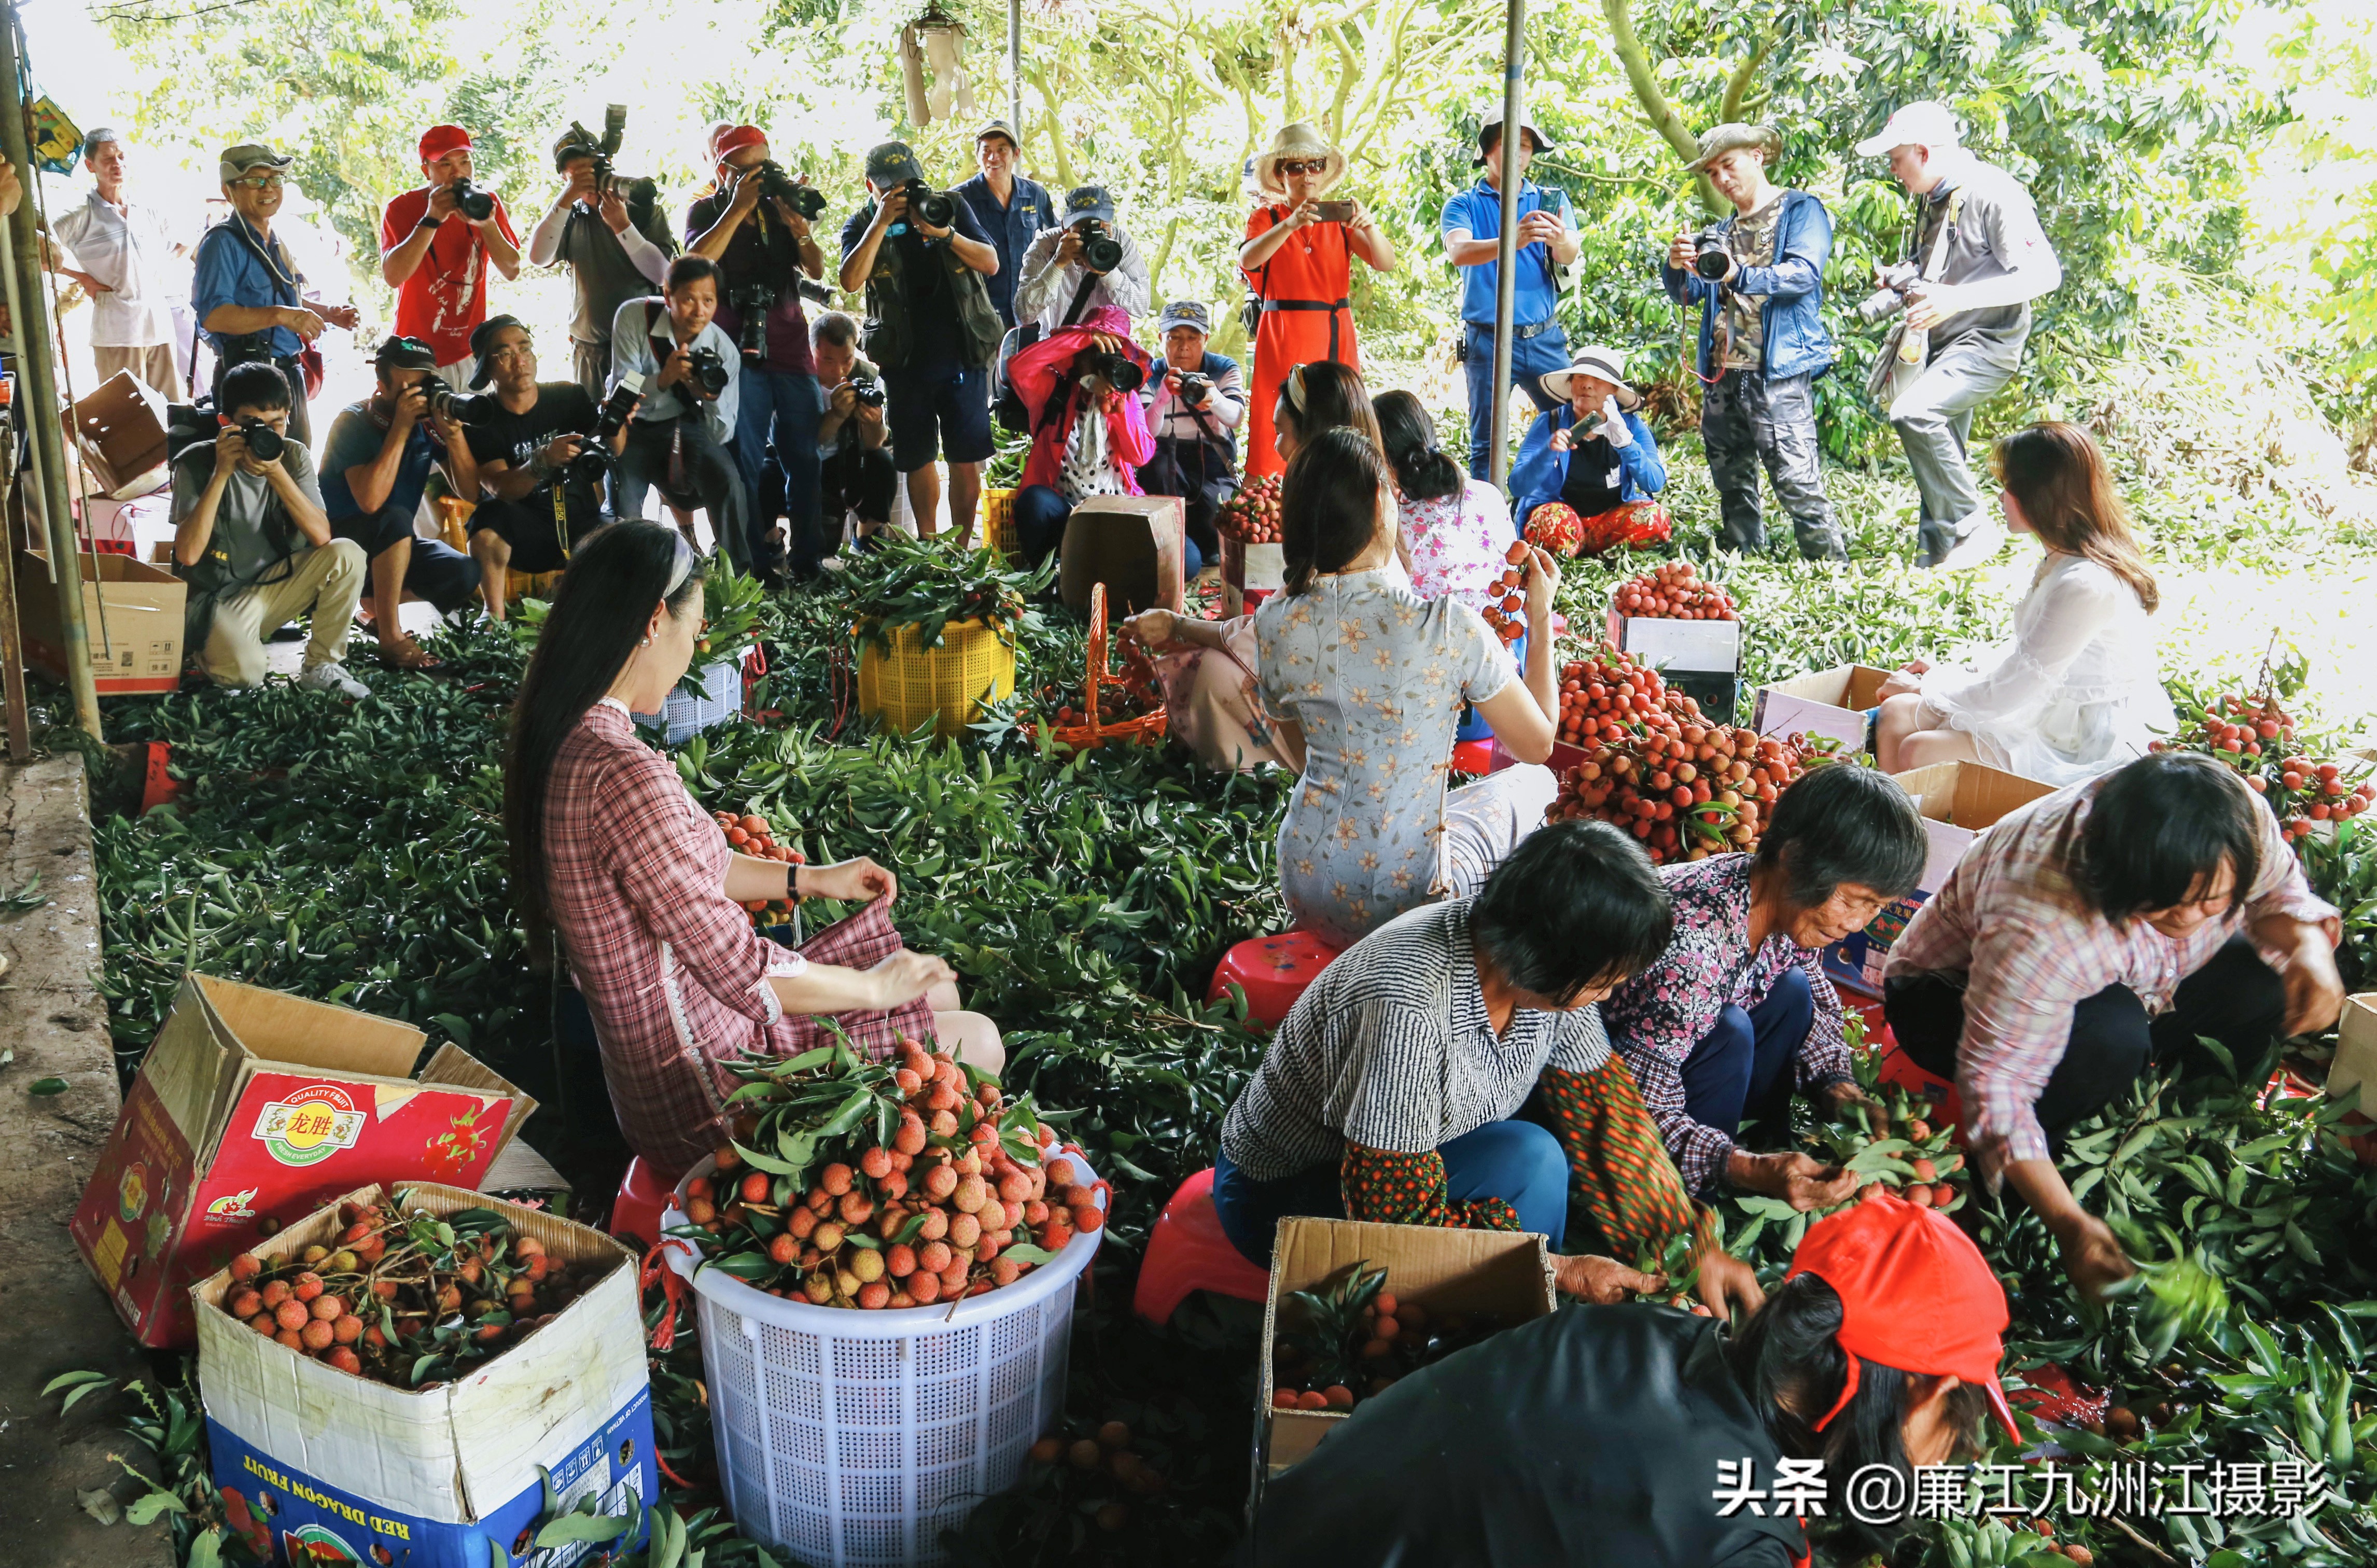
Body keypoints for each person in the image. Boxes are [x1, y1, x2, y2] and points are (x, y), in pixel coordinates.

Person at [502, 521, 1003, 1178]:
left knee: (934, 1002)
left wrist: (815, 881)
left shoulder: (572, 739)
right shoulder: (620, 774)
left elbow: (699, 869)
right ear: (655, 620)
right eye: (695, 629)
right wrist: (875, 987)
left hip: (677, 1059)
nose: (696, 648)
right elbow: (743, 971)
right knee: (981, 1039)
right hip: (712, 1093)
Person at [1246, 1193, 2015, 1568]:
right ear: (1925, 1393)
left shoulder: (1627, 1327)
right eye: (1965, 1419)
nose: (1954, 1452)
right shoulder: (1739, 1543)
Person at [1214, 818, 1763, 1309]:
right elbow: (1390, 1214)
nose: (1607, 996)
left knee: (1537, 1157)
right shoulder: (1408, 1008)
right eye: (1605, 981)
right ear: (1548, 957)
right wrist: (1555, 1269)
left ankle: (1512, 1315)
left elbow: (1604, 1111)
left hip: (1391, 1159)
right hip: (1284, 1195)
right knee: (1533, 1161)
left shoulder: (1536, 974)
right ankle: (1498, 1330)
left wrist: (1690, 1247)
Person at [1884, 750, 2343, 1301]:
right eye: (2170, 907)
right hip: (1949, 998)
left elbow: (2278, 893)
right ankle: (2011, 1204)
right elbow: (1999, 1089)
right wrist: (2070, 1225)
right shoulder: (2044, 915)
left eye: (2213, 902)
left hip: (2138, 982)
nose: (2194, 919)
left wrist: (2312, 950)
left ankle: (2183, 1136)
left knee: (2262, 981)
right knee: (2109, 1039)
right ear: (2122, 877)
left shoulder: (2230, 816)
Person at [1257, 428, 1563, 944]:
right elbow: (1538, 745)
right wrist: (1540, 621)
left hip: (1302, 883)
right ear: (1382, 501)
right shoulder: (1446, 626)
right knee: (1536, 787)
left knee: (1458, 803)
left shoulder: (1274, 618)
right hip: (1404, 904)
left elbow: (1298, 753)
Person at [1603, 765, 1928, 1207]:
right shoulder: (1693, 949)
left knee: (1793, 989)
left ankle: (1766, 1145)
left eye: (1875, 908)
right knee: (1731, 1032)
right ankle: (1702, 1197)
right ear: (1793, 858)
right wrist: (1738, 1166)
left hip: (1682, 1043)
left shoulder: (1776, 897)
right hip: (1611, 1082)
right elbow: (1632, 1110)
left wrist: (1838, 1088)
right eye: (1851, 901)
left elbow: (1814, 995)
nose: (1854, 925)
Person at [1873, 422, 2172, 780]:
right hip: (2044, 706)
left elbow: (2019, 684)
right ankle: (1895, 824)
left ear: (2040, 495)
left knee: (1919, 750)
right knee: (1895, 714)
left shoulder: (2087, 583)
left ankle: (1920, 825)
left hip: (2078, 737)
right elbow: (2027, 656)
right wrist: (1942, 676)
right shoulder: (2061, 559)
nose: (2001, 497)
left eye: (2009, 487)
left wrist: (1928, 688)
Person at [1854, 101, 2063, 570]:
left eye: (1896, 159)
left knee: (1914, 413)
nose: (1892, 171)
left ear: (1925, 153)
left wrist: (1955, 300)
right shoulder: (1937, 197)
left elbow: (2045, 276)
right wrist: (1904, 276)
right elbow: (1944, 266)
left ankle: (1973, 523)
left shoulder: (1993, 193)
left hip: (1987, 343)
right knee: (1939, 452)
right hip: (1945, 343)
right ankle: (1935, 567)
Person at [1660, 122, 1845, 562]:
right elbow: (1688, 295)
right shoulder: (1719, 231)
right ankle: (1743, 550)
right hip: (1722, 371)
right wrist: (1677, 265)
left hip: (1775, 368)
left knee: (1794, 473)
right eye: (1712, 173)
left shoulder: (1800, 211)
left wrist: (1738, 274)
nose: (1722, 179)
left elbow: (1804, 274)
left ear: (1758, 156)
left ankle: (1828, 563)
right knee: (1730, 471)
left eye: (1729, 165)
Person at [169, 360, 368, 697]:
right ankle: (207, 653)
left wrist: (276, 472)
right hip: (217, 599)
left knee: (348, 553)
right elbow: (187, 554)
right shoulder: (197, 461)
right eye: (253, 425)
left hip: (273, 588)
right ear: (226, 423)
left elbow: (322, 537)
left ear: (288, 419)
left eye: (277, 424)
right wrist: (221, 474)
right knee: (247, 675)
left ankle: (321, 666)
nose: (267, 434)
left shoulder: (292, 456)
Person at [837, 141, 1003, 544]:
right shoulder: (861, 223)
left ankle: (961, 550)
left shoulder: (949, 206)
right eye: (891, 188)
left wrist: (944, 234)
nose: (903, 194)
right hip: (904, 357)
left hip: (962, 350)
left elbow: (991, 262)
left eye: (909, 184)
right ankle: (929, 550)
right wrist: (880, 223)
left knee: (966, 458)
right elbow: (850, 280)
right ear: (870, 187)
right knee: (918, 458)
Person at [688, 125, 826, 585]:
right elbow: (695, 262)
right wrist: (737, 208)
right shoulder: (705, 208)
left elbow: (817, 267)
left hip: (788, 344)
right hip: (734, 351)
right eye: (747, 170)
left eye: (764, 167)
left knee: (805, 457)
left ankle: (809, 560)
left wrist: (798, 228)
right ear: (724, 171)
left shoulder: (780, 205)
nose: (759, 178)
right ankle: (757, 568)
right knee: (743, 461)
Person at [1240, 122, 1398, 480]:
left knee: (1341, 420)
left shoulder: (1340, 221)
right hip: (1282, 333)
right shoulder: (1268, 217)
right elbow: (1248, 259)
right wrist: (1291, 225)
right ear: (1281, 176)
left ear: (1324, 172)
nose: (1306, 174)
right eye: (1295, 167)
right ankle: (1267, 508)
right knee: (1274, 423)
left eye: (1315, 165)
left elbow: (1385, 262)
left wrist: (1370, 226)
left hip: (1333, 333)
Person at [319, 335, 486, 669]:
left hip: (391, 549)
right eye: (411, 385)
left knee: (463, 573)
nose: (421, 394)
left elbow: (471, 493)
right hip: (339, 553)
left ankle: (373, 605)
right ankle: (391, 637)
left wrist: (453, 435)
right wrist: (400, 427)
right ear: (382, 386)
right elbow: (370, 502)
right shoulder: (352, 422)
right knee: (394, 517)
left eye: (426, 382)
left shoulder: (428, 426)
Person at [192, 144, 362, 449]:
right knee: (257, 478)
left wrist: (327, 312)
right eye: (256, 181)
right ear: (229, 191)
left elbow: (283, 299)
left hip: (285, 374)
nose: (268, 189)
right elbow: (214, 316)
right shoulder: (223, 243)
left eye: (276, 180)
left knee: (295, 469)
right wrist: (282, 315)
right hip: (250, 382)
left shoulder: (273, 237)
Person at [461, 316, 631, 618]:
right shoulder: (482, 419)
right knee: (487, 517)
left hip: (584, 524)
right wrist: (541, 461)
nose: (519, 361)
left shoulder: (568, 396)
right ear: (487, 367)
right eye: (506, 354)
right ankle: (493, 617)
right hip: (528, 533)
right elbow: (500, 488)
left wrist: (618, 421)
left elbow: (614, 450)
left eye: (525, 349)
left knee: (635, 538)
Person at [1438, 107, 1577, 478]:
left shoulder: (1551, 200)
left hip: (1544, 337)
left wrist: (1562, 238)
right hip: (1487, 341)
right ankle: (1490, 529)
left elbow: (1570, 254)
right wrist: (1511, 240)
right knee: (1486, 443)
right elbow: (1459, 252)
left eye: (1526, 146)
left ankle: (1551, 514)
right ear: (1487, 151)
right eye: (1507, 144)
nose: (1518, 153)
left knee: (1570, 426)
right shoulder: (1463, 204)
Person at [608, 256, 748, 563]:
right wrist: (663, 379)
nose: (699, 310)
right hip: (632, 427)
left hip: (684, 422)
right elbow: (624, 385)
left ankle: (738, 577)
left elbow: (722, 433)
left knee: (728, 482)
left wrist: (709, 398)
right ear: (668, 294)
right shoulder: (635, 316)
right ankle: (626, 581)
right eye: (688, 299)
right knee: (623, 506)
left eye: (708, 300)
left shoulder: (724, 351)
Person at [524, 128, 675, 400]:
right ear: (564, 179)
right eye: (575, 177)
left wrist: (622, 225)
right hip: (590, 350)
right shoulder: (568, 215)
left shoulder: (642, 210)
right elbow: (538, 257)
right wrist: (566, 199)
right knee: (596, 426)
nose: (586, 183)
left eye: (590, 172)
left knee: (639, 418)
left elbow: (663, 274)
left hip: (640, 344)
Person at [1005, 306, 1159, 571]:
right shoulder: (1055, 391)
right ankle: (1047, 576)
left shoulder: (1127, 399)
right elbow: (1019, 367)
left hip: (1114, 513)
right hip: (1065, 512)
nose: (1103, 362)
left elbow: (1141, 455)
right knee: (1033, 502)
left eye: (1113, 355)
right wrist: (1086, 338)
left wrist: (1116, 406)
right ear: (1077, 358)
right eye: (1094, 355)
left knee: (1189, 559)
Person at [380, 125, 522, 390]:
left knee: (474, 428)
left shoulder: (486, 203)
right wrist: (432, 219)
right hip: (417, 353)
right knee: (424, 429)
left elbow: (512, 270)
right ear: (426, 170)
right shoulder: (402, 208)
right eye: (445, 164)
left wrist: (487, 224)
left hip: (471, 350)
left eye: (465, 162)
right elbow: (394, 276)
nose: (458, 173)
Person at [51, 130, 187, 399]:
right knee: (129, 416)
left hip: (158, 326)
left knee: (172, 412)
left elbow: (185, 241)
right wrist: (82, 278)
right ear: (91, 166)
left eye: (122, 157)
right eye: (108, 159)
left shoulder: (148, 210)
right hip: (117, 332)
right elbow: (37, 250)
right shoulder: (80, 216)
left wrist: (162, 264)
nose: (117, 165)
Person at [1508, 345, 1669, 544]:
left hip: (1608, 524)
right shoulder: (1550, 422)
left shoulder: (1631, 426)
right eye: (1581, 378)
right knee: (1555, 522)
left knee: (1654, 518)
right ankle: (1571, 549)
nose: (1587, 385)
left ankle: (1595, 548)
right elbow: (1517, 486)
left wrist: (1627, 445)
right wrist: (1549, 451)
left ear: (1614, 391)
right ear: (1571, 384)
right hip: (1563, 523)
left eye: (1598, 380)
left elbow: (1654, 482)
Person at [1373, 388, 1513, 615]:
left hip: (1443, 647)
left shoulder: (1392, 523)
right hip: (1509, 637)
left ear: (1381, 458)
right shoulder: (1489, 495)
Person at [1136, 300, 1244, 569]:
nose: (1184, 346)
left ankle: (1199, 548)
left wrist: (1214, 399)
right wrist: (1161, 397)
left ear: (1206, 339)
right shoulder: (1148, 371)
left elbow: (1236, 417)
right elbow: (1145, 433)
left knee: (1219, 516)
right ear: (1161, 339)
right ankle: (1176, 548)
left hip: (1213, 462)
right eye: (1174, 338)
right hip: (1166, 458)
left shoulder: (1222, 368)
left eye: (1193, 338)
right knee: (1158, 470)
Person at [952, 119, 1056, 330]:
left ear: (1016, 154)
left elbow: (1054, 244)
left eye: (1002, 150)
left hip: (1030, 311)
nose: (994, 158)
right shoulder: (959, 199)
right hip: (979, 313)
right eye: (986, 150)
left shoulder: (1035, 195)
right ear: (978, 156)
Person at [810, 312, 897, 556]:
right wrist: (836, 415)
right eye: (827, 360)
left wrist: (873, 420)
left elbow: (874, 443)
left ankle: (866, 536)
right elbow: (806, 445)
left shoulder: (868, 377)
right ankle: (776, 541)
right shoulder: (800, 379)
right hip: (808, 462)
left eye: (847, 360)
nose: (839, 370)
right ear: (811, 352)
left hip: (850, 458)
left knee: (882, 463)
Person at [1013, 184, 1150, 337]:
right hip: (1058, 347)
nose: (1093, 233)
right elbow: (1025, 314)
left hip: (1107, 347)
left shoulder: (1121, 243)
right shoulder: (1045, 246)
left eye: (1101, 226)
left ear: (1110, 224)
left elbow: (1141, 307)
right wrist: (1057, 264)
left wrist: (1108, 271)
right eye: (1083, 227)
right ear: (1065, 228)